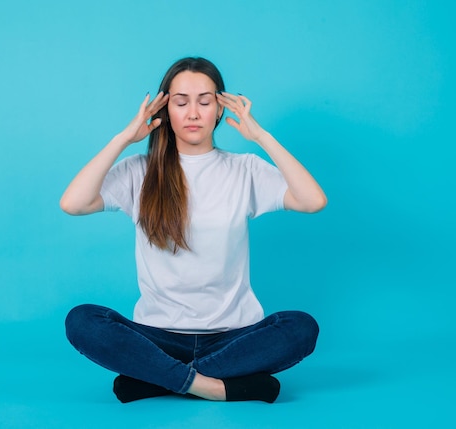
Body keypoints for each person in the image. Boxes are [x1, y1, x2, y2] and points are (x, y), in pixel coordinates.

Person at [60, 57, 327, 403]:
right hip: (158, 336)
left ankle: (157, 378)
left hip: (234, 336)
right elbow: (73, 203)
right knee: (82, 320)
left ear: (219, 109)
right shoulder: (139, 172)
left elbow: (312, 200)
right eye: (181, 102)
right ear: (164, 109)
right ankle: (211, 386)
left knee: (301, 328)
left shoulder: (244, 169)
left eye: (204, 101)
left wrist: (260, 136)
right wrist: (125, 138)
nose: (193, 113)